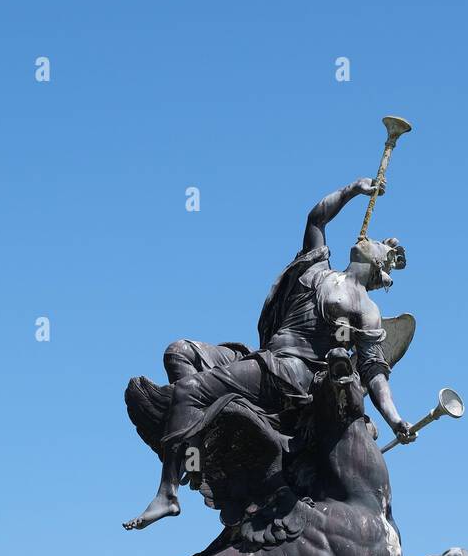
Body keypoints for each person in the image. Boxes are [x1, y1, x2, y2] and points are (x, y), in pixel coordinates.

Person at [122, 176, 416, 530]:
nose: (374, 241)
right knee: (179, 352)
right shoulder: (316, 268)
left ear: (380, 268)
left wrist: (394, 417)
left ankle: (168, 494)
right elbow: (316, 219)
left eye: (383, 247)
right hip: (263, 357)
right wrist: (353, 191)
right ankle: (200, 441)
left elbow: (373, 369)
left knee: (189, 391)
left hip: (291, 374)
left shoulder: (365, 308)